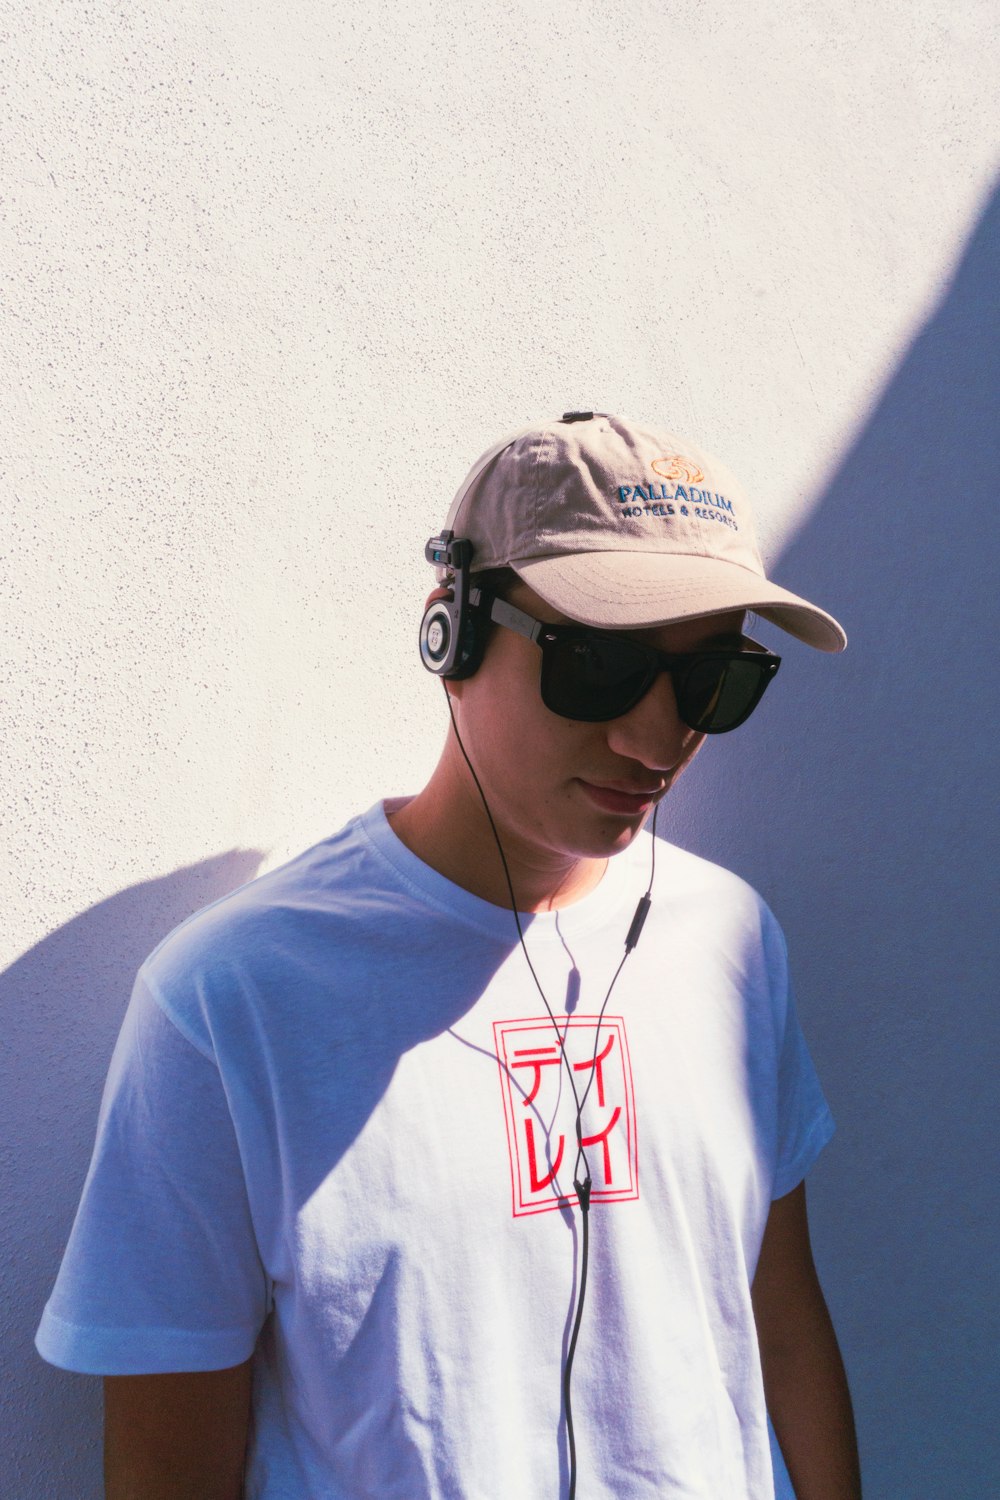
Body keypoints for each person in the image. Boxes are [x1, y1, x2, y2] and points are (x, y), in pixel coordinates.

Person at [36, 412, 862, 1499]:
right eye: (601, 666)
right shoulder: (231, 1000)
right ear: (452, 634)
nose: (658, 743)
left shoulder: (731, 939)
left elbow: (776, 1310)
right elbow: (167, 1458)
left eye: (714, 679)